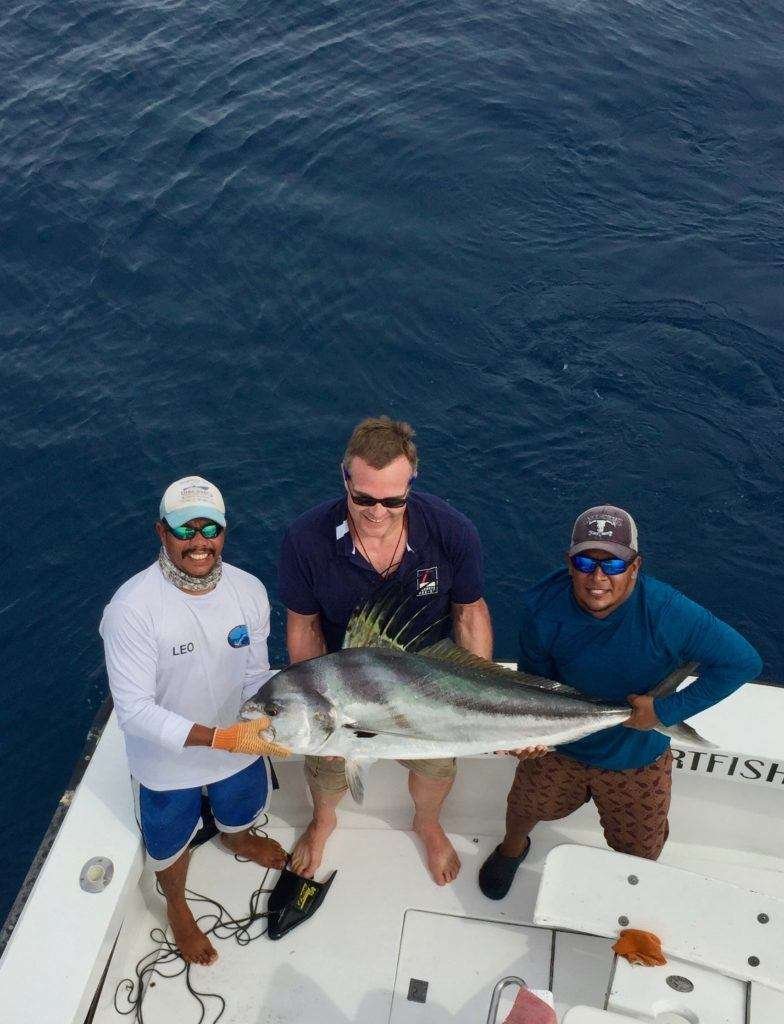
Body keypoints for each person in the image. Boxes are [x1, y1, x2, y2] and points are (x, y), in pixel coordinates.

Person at [478, 504, 763, 900]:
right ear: (569, 562)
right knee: (523, 808)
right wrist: (527, 732)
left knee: (640, 848)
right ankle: (513, 848)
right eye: (584, 563)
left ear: (635, 565)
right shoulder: (541, 606)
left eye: (612, 565)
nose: (597, 578)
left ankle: (631, 887)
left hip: (637, 755)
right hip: (561, 748)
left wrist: (664, 711)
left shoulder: (667, 612)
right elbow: (535, 685)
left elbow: (742, 662)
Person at [278, 416, 493, 885]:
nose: (377, 511)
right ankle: (324, 820)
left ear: (412, 482)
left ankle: (427, 822)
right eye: (363, 498)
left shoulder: (453, 532)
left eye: (393, 500)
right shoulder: (305, 540)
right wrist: (320, 710)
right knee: (326, 764)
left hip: (429, 679)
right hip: (342, 684)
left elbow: (469, 613)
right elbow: (304, 624)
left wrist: (483, 694)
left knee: (437, 764)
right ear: (344, 478)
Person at [100, 476, 289, 965]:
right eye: (186, 530)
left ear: (224, 532)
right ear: (162, 532)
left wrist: (273, 720)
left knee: (241, 807)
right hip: (169, 765)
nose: (200, 542)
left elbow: (255, 673)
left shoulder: (249, 589)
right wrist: (218, 737)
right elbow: (135, 711)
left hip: (239, 746)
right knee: (169, 845)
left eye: (211, 528)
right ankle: (178, 907)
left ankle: (237, 837)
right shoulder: (132, 610)